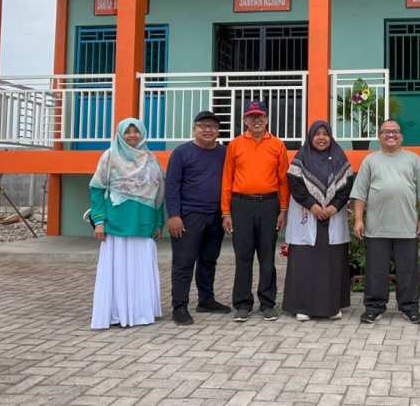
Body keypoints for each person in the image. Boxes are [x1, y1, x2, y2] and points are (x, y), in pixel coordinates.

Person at [351, 119, 420, 324]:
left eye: (395, 131)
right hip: (377, 226)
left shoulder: (413, 159)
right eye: (386, 132)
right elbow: (360, 194)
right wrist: (358, 220)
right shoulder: (370, 161)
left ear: (401, 136)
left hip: (406, 226)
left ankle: (410, 307)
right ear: (379, 137)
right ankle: (374, 307)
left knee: (408, 270)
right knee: (376, 271)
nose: (390, 135)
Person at [89, 117, 165, 330]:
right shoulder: (110, 156)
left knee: (141, 267)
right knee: (118, 267)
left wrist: (159, 222)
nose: (132, 136)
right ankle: (116, 312)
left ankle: (141, 312)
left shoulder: (151, 159)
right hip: (117, 222)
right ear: (120, 134)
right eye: (127, 132)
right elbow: (96, 188)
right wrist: (99, 221)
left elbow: (159, 193)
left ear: (142, 133)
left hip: (144, 221)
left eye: (136, 131)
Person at [221, 99, 290, 322]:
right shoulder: (235, 144)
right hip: (240, 205)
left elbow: (283, 181)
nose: (256, 120)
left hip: (269, 204)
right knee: (243, 256)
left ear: (267, 119)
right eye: (252, 117)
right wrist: (226, 212)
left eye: (260, 116)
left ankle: (267, 303)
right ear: (245, 120)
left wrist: (283, 209)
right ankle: (242, 303)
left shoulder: (277, 145)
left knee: (267, 256)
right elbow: (227, 180)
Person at [283, 120, 355, 321]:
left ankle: (332, 306)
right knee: (305, 262)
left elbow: (347, 186)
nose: (321, 138)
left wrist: (334, 207)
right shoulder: (300, 158)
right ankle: (302, 306)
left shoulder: (341, 158)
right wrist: (313, 206)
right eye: (317, 134)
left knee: (331, 263)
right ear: (310, 137)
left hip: (332, 216)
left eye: (325, 134)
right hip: (307, 215)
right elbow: (295, 185)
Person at [166, 111, 230, 325]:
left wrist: (226, 213)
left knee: (209, 260)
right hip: (188, 216)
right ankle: (180, 306)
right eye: (202, 125)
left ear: (217, 130)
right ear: (194, 128)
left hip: (215, 215)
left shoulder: (224, 152)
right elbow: (172, 185)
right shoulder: (182, 152)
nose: (207, 130)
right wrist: (174, 215)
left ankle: (206, 300)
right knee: (184, 262)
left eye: (212, 126)